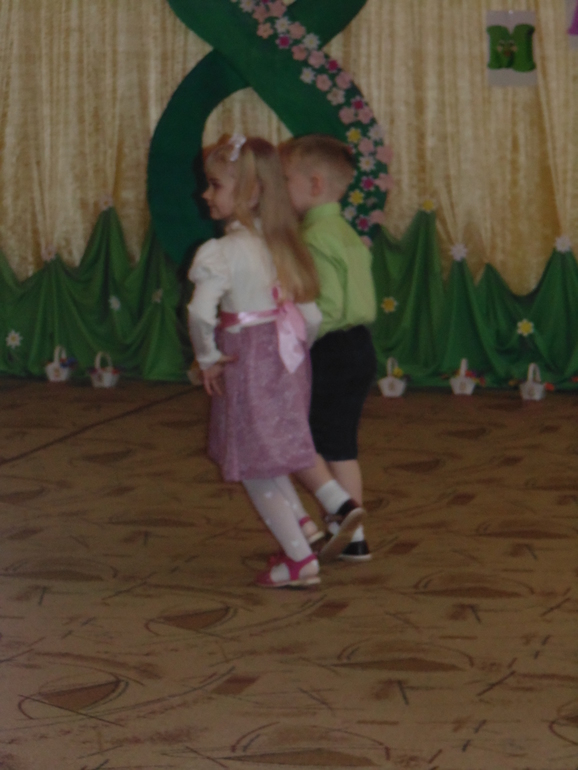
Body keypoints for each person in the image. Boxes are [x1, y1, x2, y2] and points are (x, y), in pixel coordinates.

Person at [187, 134, 324, 588]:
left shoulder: (223, 252)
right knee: (271, 452)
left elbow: (199, 313)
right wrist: (293, 354)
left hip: (244, 362)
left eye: (215, 185)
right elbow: (312, 317)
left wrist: (208, 357)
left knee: (253, 463)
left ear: (249, 192)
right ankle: (301, 525)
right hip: (287, 362)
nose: (206, 194)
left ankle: (301, 559)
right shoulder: (282, 244)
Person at [280, 134, 377, 563]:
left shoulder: (313, 237)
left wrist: (290, 338)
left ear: (315, 184)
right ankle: (353, 536)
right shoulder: (346, 233)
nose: (278, 189)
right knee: (341, 445)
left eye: (284, 180)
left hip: (330, 349)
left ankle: (341, 513)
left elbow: (328, 308)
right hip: (359, 347)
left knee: (300, 439)